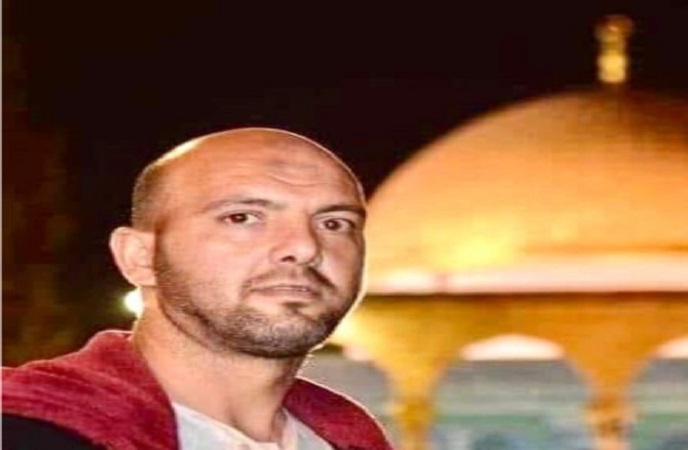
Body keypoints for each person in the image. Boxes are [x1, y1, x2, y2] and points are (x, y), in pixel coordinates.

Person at [3, 128, 394, 450]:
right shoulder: (26, 431)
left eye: (334, 223)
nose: (305, 247)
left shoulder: (350, 440)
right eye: (242, 217)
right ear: (140, 257)